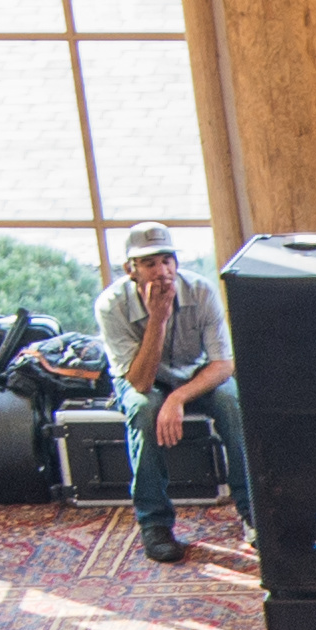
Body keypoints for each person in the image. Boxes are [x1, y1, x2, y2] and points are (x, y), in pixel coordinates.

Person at [99, 218, 230, 560]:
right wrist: (157, 318)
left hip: (194, 374)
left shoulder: (201, 291)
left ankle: (254, 516)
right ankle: (155, 525)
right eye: (149, 263)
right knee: (144, 408)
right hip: (142, 376)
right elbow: (139, 381)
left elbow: (223, 363)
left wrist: (179, 396)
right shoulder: (110, 305)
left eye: (167, 260)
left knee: (233, 402)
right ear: (131, 270)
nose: (161, 271)